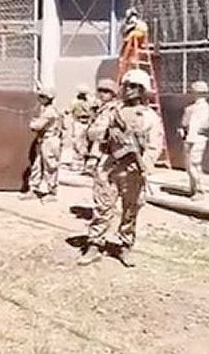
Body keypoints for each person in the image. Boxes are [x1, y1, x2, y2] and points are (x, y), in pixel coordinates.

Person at [78, 69, 164, 268]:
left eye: (134, 86)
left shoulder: (150, 116)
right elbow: (92, 133)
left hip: (132, 170)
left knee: (130, 210)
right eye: (127, 85)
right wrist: (109, 132)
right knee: (102, 207)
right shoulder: (112, 111)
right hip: (109, 166)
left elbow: (155, 145)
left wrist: (145, 164)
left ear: (142, 90)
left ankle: (125, 246)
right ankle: (94, 244)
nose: (129, 90)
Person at [24, 87, 62, 202]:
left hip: (50, 141)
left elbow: (37, 126)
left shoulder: (50, 111)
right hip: (43, 140)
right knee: (37, 165)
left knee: (50, 166)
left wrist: (32, 122)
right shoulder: (45, 109)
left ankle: (52, 191)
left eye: (42, 96)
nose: (39, 98)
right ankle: (34, 189)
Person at [179, 80, 209, 200]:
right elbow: (184, 124)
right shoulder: (191, 109)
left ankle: (199, 190)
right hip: (190, 137)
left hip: (198, 138)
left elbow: (207, 125)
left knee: (194, 164)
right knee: (190, 165)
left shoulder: (207, 109)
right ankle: (193, 188)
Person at [83, 79, 119, 176]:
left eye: (106, 92)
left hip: (107, 146)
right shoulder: (100, 108)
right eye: (100, 91)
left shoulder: (115, 108)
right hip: (97, 143)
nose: (102, 94)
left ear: (113, 94)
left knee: (103, 174)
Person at [69, 85, 95, 170]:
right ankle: (76, 163)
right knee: (77, 143)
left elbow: (92, 111)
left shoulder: (89, 101)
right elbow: (69, 111)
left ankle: (84, 163)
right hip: (78, 123)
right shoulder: (74, 102)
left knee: (86, 144)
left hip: (87, 123)